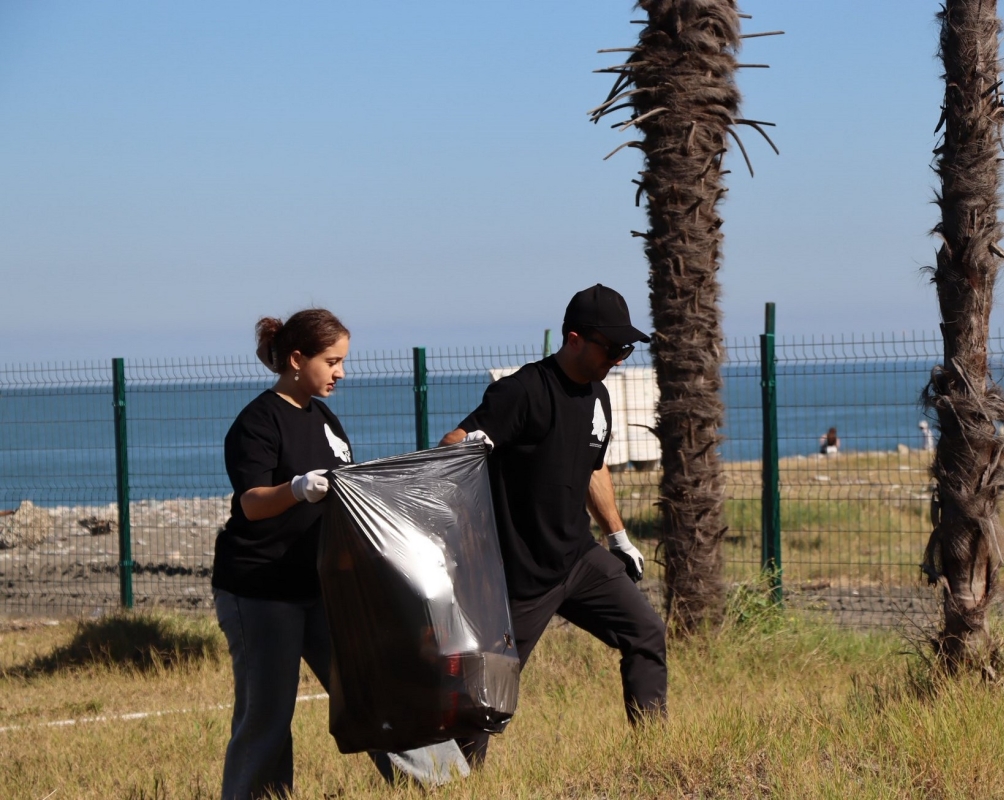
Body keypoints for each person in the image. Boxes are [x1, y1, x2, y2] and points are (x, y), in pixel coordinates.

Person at [212, 309, 467, 800]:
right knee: (267, 714)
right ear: (296, 359)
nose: (341, 372)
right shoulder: (257, 422)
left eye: (342, 361)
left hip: (324, 585)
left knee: (376, 683)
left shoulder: (324, 418)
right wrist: (297, 488)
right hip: (261, 591)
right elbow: (251, 503)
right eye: (332, 361)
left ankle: (444, 783)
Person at [439, 284, 668, 767]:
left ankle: (655, 754)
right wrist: (467, 446)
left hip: (578, 559)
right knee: (487, 688)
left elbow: (594, 468)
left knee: (645, 631)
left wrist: (618, 537)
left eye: (626, 350)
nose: (619, 359)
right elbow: (455, 441)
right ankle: (456, 778)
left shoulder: (599, 395)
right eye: (612, 348)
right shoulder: (521, 391)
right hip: (520, 575)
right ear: (574, 339)